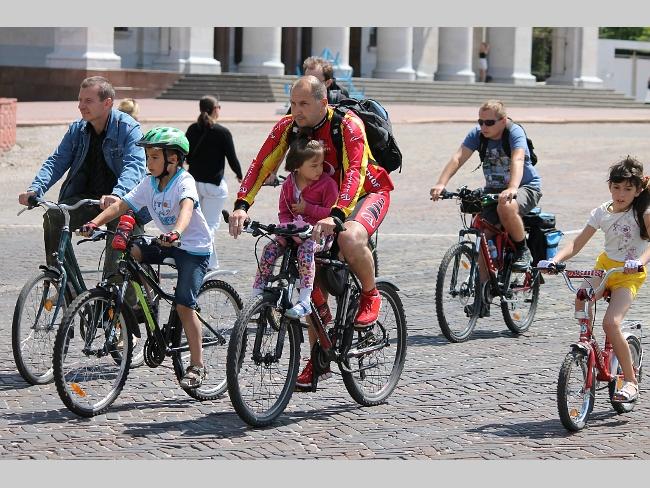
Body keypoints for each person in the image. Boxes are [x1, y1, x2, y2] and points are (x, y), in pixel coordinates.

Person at [229, 75, 394, 388]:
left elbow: (355, 172)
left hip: (367, 193)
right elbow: (261, 164)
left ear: (323, 102)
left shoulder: (348, 125)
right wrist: (241, 204)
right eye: (293, 103)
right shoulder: (288, 126)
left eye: (304, 103)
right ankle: (318, 358)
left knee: (349, 237)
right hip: (323, 206)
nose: (297, 110)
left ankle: (370, 295)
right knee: (305, 270)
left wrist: (337, 215)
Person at [78, 127, 213, 389]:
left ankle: (197, 366)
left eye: (154, 157)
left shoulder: (184, 181)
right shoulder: (149, 183)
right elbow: (121, 205)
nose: (148, 162)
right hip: (167, 242)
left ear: (172, 159)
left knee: (184, 306)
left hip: (193, 248)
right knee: (132, 251)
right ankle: (149, 300)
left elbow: (186, 209)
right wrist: (94, 222)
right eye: (147, 156)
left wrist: (176, 232)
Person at [538, 157, 650, 403]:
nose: (620, 194)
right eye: (616, 187)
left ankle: (630, 381)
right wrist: (555, 260)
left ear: (638, 190)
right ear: (609, 187)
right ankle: (589, 345)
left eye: (627, 189)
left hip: (628, 275)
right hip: (604, 268)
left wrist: (640, 262)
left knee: (611, 323)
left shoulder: (643, 213)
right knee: (581, 298)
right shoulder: (602, 212)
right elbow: (577, 243)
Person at [18, 76, 146, 281]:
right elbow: (56, 161)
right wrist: (35, 189)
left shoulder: (128, 128)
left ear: (107, 103)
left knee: (117, 272)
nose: (80, 106)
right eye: (79, 100)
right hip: (86, 199)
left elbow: (135, 166)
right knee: (54, 216)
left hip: (121, 204)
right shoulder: (77, 130)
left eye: (88, 101)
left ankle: (119, 296)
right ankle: (63, 282)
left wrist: (117, 194)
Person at [430, 100, 541, 314]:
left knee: (506, 207)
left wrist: (512, 188)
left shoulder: (514, 132)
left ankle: (522, 250)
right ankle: (483, 297)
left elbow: (518, 159)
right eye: (480, 121)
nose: (483, 126)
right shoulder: (478, 134)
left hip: (525, 187)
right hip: (493, 190)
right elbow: (458, 157)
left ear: (503, 121)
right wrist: (441, 183)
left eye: (489, 122)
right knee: (482, 235)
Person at [251, 137, 338, 321]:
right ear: (297, 166)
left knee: (305, 250)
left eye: (321, 164)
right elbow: (284, 211)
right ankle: (258, 293)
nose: (319, 169)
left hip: (320, 234)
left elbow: (333, 213)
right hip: (292, 232)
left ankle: (304, 300)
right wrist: (287, 228)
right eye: (314, 166)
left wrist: (308, 209)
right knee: (269, 248)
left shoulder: (327, 184)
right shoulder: (288, 184)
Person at [185, 95, 243, 271]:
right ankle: (206, 262)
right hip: (214, 185)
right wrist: (240, 175)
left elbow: (185, 154)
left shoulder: (192, 129)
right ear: (214, 109)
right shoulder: (222, 132)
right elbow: (232, 158)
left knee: (197, 223)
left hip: (194, 182)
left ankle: (207, 260)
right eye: (219, 106)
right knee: (209, 225)